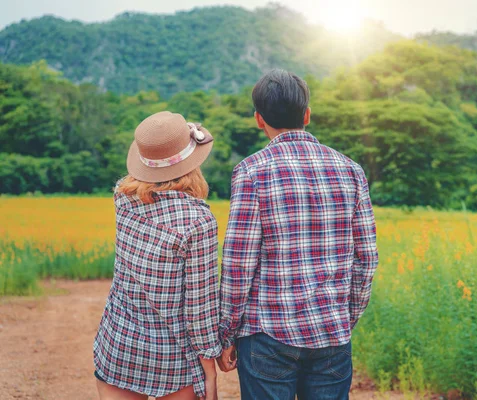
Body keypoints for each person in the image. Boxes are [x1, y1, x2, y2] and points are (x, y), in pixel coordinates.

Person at [218, 69, 379, 400]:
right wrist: (344, 317)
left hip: (267, 336)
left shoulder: (251, 171)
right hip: (332, 334)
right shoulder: (351, 170)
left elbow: (238, 264)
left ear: (258, 120)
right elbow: (367, 258)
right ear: (307, 114)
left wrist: (227, 333)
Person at [93, 111, 221, 400]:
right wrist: (209, 364)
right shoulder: (198, 222)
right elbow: (200, 307)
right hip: (172, 359)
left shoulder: (122, 198)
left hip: (118, 344)